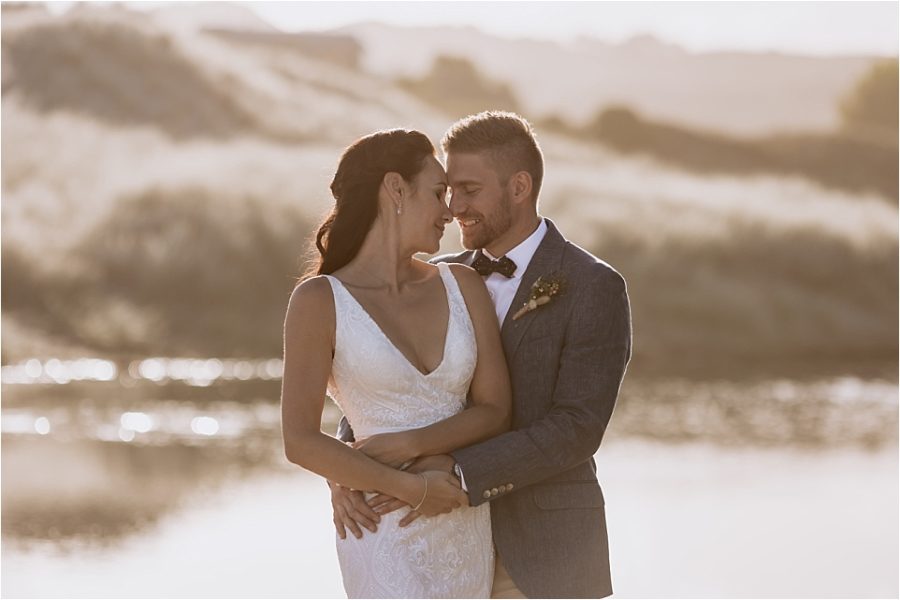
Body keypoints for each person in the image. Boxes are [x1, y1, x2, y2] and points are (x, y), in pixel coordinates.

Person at [332, 111, 632, 598]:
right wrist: (345, 465)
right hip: (428, 543)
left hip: (543, 554)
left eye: (469, 190)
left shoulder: (592, 285)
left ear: (519, 187)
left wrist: (456, 474)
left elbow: (576, 428)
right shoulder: (439, 275)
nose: (453, 207)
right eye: (448, 189)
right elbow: (375, 375)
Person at [280, 128, 512, 598]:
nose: (450, 211)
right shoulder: (319, 300)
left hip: (462, 521)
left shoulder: (463, 285)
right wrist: (411, 489)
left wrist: (413, 445)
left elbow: (495, 410)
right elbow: (300, 440)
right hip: (382, 525)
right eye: (438, 192)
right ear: (395, 189)